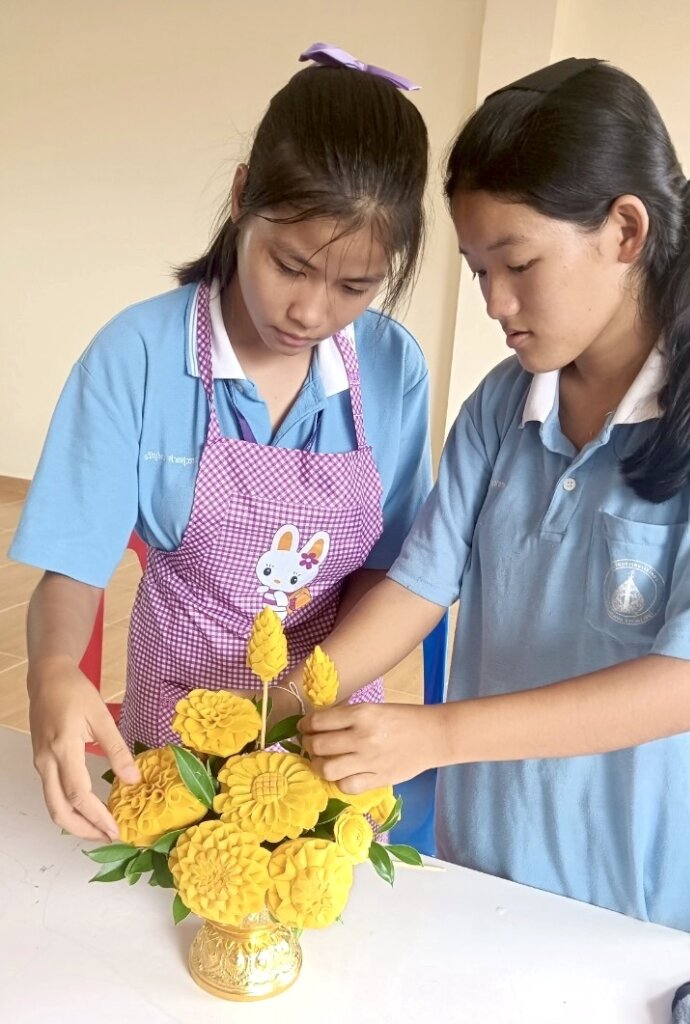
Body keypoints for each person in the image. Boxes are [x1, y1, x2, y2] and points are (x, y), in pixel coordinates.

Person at [297, 58, 690, 947]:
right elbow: (419, 586)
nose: (494, 303)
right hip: (488, 862)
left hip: (651, 903)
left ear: (625, 229)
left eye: (517, 263)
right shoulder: (503, 406)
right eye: (477, 271)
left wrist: (434, 736)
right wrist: (287, 699)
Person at [11, 43, 432, 845]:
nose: (310, 312)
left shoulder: (390, 368)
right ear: (242, 197)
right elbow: (74, 565)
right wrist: (53, 671)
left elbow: (391, 571)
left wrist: (299, 705)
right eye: (290, 265)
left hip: (326, 736)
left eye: (354, 286)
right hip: (174, 736)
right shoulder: (138, 355)